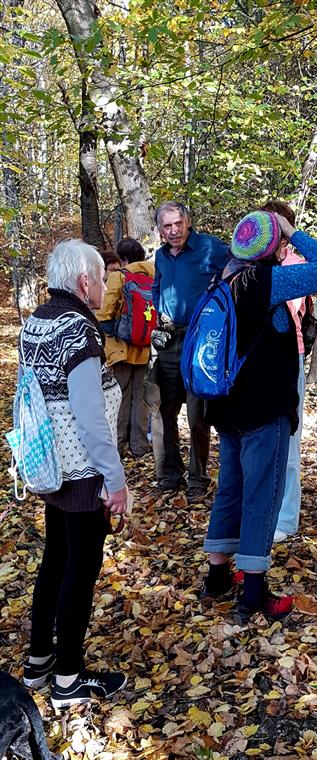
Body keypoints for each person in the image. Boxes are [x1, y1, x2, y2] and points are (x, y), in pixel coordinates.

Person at [202, 210, 317, 622]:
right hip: (263, 406)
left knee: (230, 487)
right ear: (272, 245)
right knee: (262, 492)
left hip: (226, 406)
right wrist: (293, 231)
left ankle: (217, 577)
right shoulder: (268, 282)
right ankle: (254, 592)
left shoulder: (221, 279)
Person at [19, 239, 128, 707]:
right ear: (85, 282)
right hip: (83, 474)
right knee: (80, 571)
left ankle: (39, 659)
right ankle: (68, 677)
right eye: (102, 277)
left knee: (55, 561)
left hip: (51, 467)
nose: (106, 286)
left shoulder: (36, 322)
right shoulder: (78, 331)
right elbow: (91, 417)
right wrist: (115, 480)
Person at [151, 201, 229, 501]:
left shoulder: (211, 248)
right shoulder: (160, 256)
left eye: (178, 224)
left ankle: (198, 477)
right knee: (165, 408)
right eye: (167, 226)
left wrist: (217, 312)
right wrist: (160, 310)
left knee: (198, 413)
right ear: (160, 230)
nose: (173, 231)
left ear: (188, 222)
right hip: (169, 339)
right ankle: (171, 473)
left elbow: (235, 272)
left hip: (201, 340)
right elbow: (157, 287)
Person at [261, 200, 306, 544]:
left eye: (280, 228)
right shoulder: (252, 263)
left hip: (290, 358)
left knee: (288, 439)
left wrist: (292, 236)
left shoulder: (295, 264)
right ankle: (262, 510)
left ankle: (287, 518)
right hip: (255, 363)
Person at [95, 238, 153, 457]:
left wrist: (113, 334)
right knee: (141, 399)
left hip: (120, 350)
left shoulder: (119, 276)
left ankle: (118, 446)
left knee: (118, 397)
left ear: (123, 258)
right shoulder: (155, 273)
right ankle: (139, 447)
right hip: (146, 348)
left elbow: (104, 313)